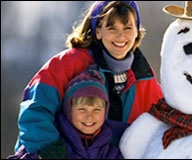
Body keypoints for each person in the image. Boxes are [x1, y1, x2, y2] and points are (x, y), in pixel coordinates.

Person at [13, 1, 163, 155]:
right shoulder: (69, 63)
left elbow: (162, 120)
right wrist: (49, 149)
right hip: (65, 152)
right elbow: (36, 109)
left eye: (128, 28)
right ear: (98, 31)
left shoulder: (144, 76)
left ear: (137, 32)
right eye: (112, 28)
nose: (121, 36)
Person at [9, 66, 123, 159]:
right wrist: (40, 156)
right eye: (82, 109)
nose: (89, 116)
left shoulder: (109, 153)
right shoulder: (54, 143)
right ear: (69, 110)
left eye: (97, 110)